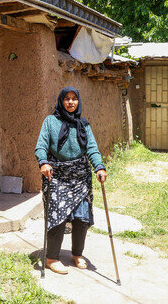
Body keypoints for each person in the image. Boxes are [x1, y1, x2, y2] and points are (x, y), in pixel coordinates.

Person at [35, 86, 108, 275]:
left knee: (82, 218)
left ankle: (77, 254)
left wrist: (99, 166)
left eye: (74, 99)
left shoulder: (83, 124)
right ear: (61, 101)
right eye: (66, 98)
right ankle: (51, 258)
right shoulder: (50, 122)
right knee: (57, 217)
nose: (70, 102)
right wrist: (43, 162)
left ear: (78, 102)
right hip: (57, 175)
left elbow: (92, 148)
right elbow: (41, 146)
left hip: (80, 176)